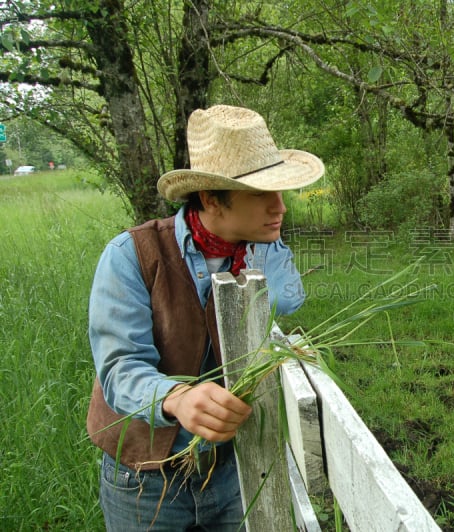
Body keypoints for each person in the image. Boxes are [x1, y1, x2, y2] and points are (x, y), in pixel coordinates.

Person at [86, 104, 324, 531]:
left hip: (228, 469)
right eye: (261, 193)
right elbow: (119, 369)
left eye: (280, 191)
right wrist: (177, 398)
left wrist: (265, 253)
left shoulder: (261, 246)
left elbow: (288, 302)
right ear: (212, 199)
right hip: (146, 479)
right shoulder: (131, 256)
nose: (280, 207)